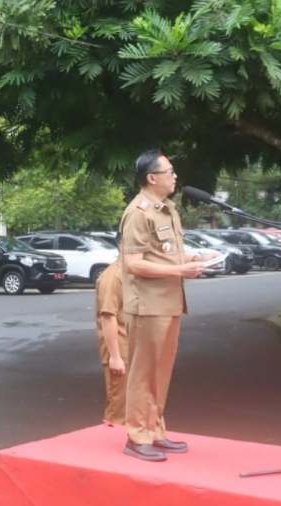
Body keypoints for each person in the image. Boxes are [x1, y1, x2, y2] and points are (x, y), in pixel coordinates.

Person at [118, 149, 205, 462]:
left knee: (161, 371)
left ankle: (155, 430)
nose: (175, 176)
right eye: (169, 171)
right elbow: (134, 263)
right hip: (147, 305)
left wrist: (193, 258)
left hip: (168, 303)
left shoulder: (167, 209)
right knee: (143, 372)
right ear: (152, 178)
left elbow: (164, 254)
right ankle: (137, 436)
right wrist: (180, 270)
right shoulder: (138, 212)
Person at [95, 259, 128, 427]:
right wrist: (115, 357)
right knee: (118, 407)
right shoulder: (113, 277)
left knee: (133, 405)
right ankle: (112, 438)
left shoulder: (131, 272)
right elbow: (107, 316)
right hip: (120, 349)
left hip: (133, 348)